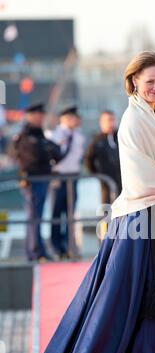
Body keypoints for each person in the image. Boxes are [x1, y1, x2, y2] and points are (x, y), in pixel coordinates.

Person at [0, 51, 155, 353]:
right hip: (139, 220)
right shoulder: (133, 120)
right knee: (119, 307)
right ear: (134, 82)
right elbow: (141, 181)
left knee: (149, 304)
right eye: (150, 81)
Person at [11, 103, 62, 262]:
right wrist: (47, 150)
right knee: (34, 217)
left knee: (37, 217)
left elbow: (56, 152)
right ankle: (35, 252)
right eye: (39, 115)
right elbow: (34, 157)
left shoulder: (38, 134)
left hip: (42, 179)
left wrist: (46, 149)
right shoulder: (26, 135)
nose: (42, 118)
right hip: (32, 181)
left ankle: (38, 250)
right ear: (30, 116)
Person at [46, 106, 85, 259]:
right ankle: (56, 247)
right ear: (64, 119)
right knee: (56, 212)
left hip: (73, 177)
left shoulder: (78, 136)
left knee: (70, 213)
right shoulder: (53, 134)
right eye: (71, 117)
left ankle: (70, 246)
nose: (75, 120)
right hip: (58, 177)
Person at [84, 110, 121, 204]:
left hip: (122, 179)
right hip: (106, 180)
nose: (111, 123)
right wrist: (97, 173)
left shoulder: (121, 137)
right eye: (108, 120)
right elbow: (88, 158)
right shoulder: (97, 141)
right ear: (101, 123)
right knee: (107, 206)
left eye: (112, 120)